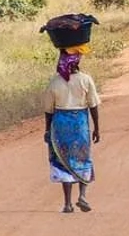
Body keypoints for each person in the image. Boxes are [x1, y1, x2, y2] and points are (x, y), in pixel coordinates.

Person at [43, 47, 101, 213]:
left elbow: (49, 110)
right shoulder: (85, 79)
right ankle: (82, 196)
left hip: (60, 124)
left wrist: (48, 130)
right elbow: (93, 105)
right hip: (80, 122)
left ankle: (67, 204)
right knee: (82, 157)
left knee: (63, 160)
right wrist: (97, 128)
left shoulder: (55, 82)